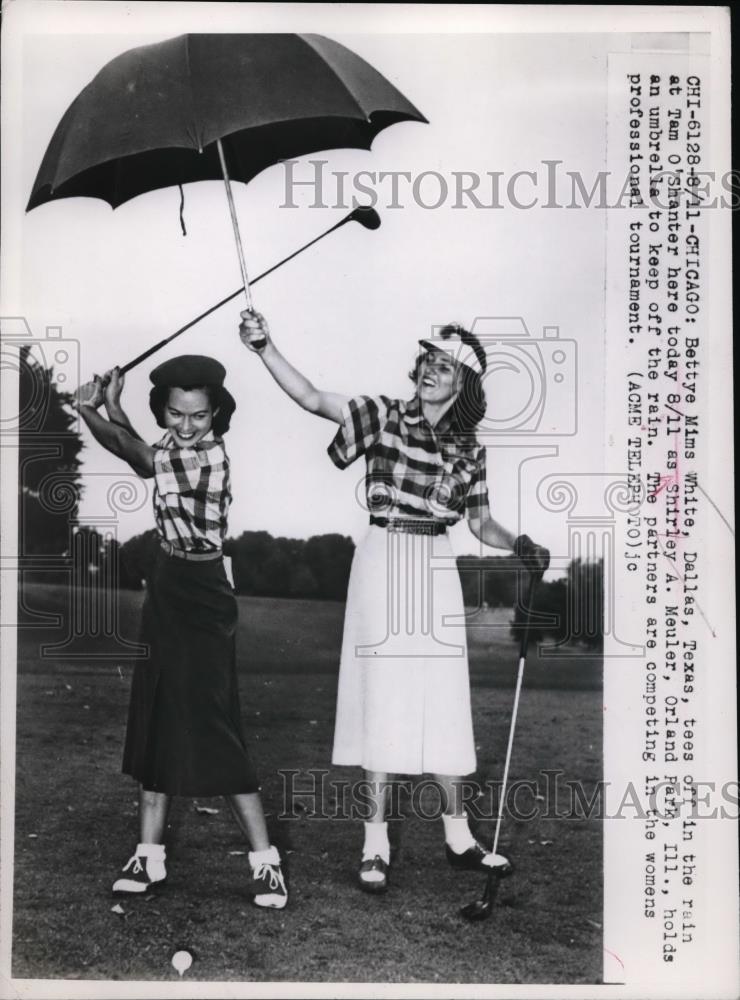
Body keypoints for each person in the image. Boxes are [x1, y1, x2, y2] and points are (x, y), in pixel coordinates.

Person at [238, 313, 549, 893]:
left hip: (436, 565)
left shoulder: (468, 447)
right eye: (429, 359)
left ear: (464, 386)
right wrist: (264, 347)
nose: (433, 367)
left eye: (447, 365)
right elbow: (310, 397)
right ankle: (375, 843)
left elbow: (479, 522)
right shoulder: (380, 414)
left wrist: (520, 545)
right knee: (383, 697)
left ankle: (459, 837)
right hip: (383, 557)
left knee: (444, 695)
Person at [72, 355, 287, 909]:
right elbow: (146, 447)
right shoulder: (174, 445)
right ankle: (149, 857)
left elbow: (132, 453)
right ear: (164, 410)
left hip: (204, 591)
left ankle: (267, 865)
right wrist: (114, 403)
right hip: (166, 582)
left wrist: (85, 409)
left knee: (214, 721)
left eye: (198, 416)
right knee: (157, 710)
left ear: (217, 413)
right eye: (176, 414)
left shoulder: (207, 459)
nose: (187, 426)